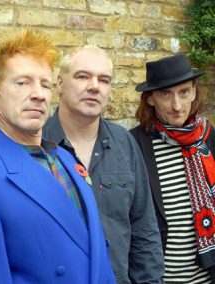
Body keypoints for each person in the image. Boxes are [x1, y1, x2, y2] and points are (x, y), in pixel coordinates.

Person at [0, 29, 115, 284]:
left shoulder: (65, 159)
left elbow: (97, 254)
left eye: (44, 84)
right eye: (22, 83)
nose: (39, 94)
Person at [43, 46, 164, 283]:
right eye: (82, 76)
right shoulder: (36, 145)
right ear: (60, 83)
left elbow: (144, 229)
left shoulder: (124, 144)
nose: (94, 86)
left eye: (104, 80)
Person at [131, 53, 215, 283]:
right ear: (150, 99)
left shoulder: (209, 138)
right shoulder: (133, 145)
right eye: (166, 94)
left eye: (184, 92)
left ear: (194, 92)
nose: (177, 106)